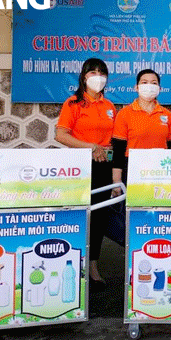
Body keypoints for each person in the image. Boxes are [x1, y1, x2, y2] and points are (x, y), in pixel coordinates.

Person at [55, 58, 115, 291]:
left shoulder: (110, 106)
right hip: (80, 167)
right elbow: (61, 135)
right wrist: (90, 146)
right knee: (80, 217)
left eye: (102, 72)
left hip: (103, 168)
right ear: (83, 76)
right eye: (93, 72)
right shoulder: (73, 103)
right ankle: (73, 267)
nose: (97, 76)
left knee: (99, 219)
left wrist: (106, 148)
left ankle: (93, 268)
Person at [111, 69, 171, 189]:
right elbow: (118, 151)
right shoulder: (125, 114)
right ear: (136, 87)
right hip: (133, 170)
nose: (149, 86)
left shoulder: (167, 115)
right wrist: (116, 182)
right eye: (144, 82)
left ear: (159, 88)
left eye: (154, 83)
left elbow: (170, 146)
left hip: (160, 170)